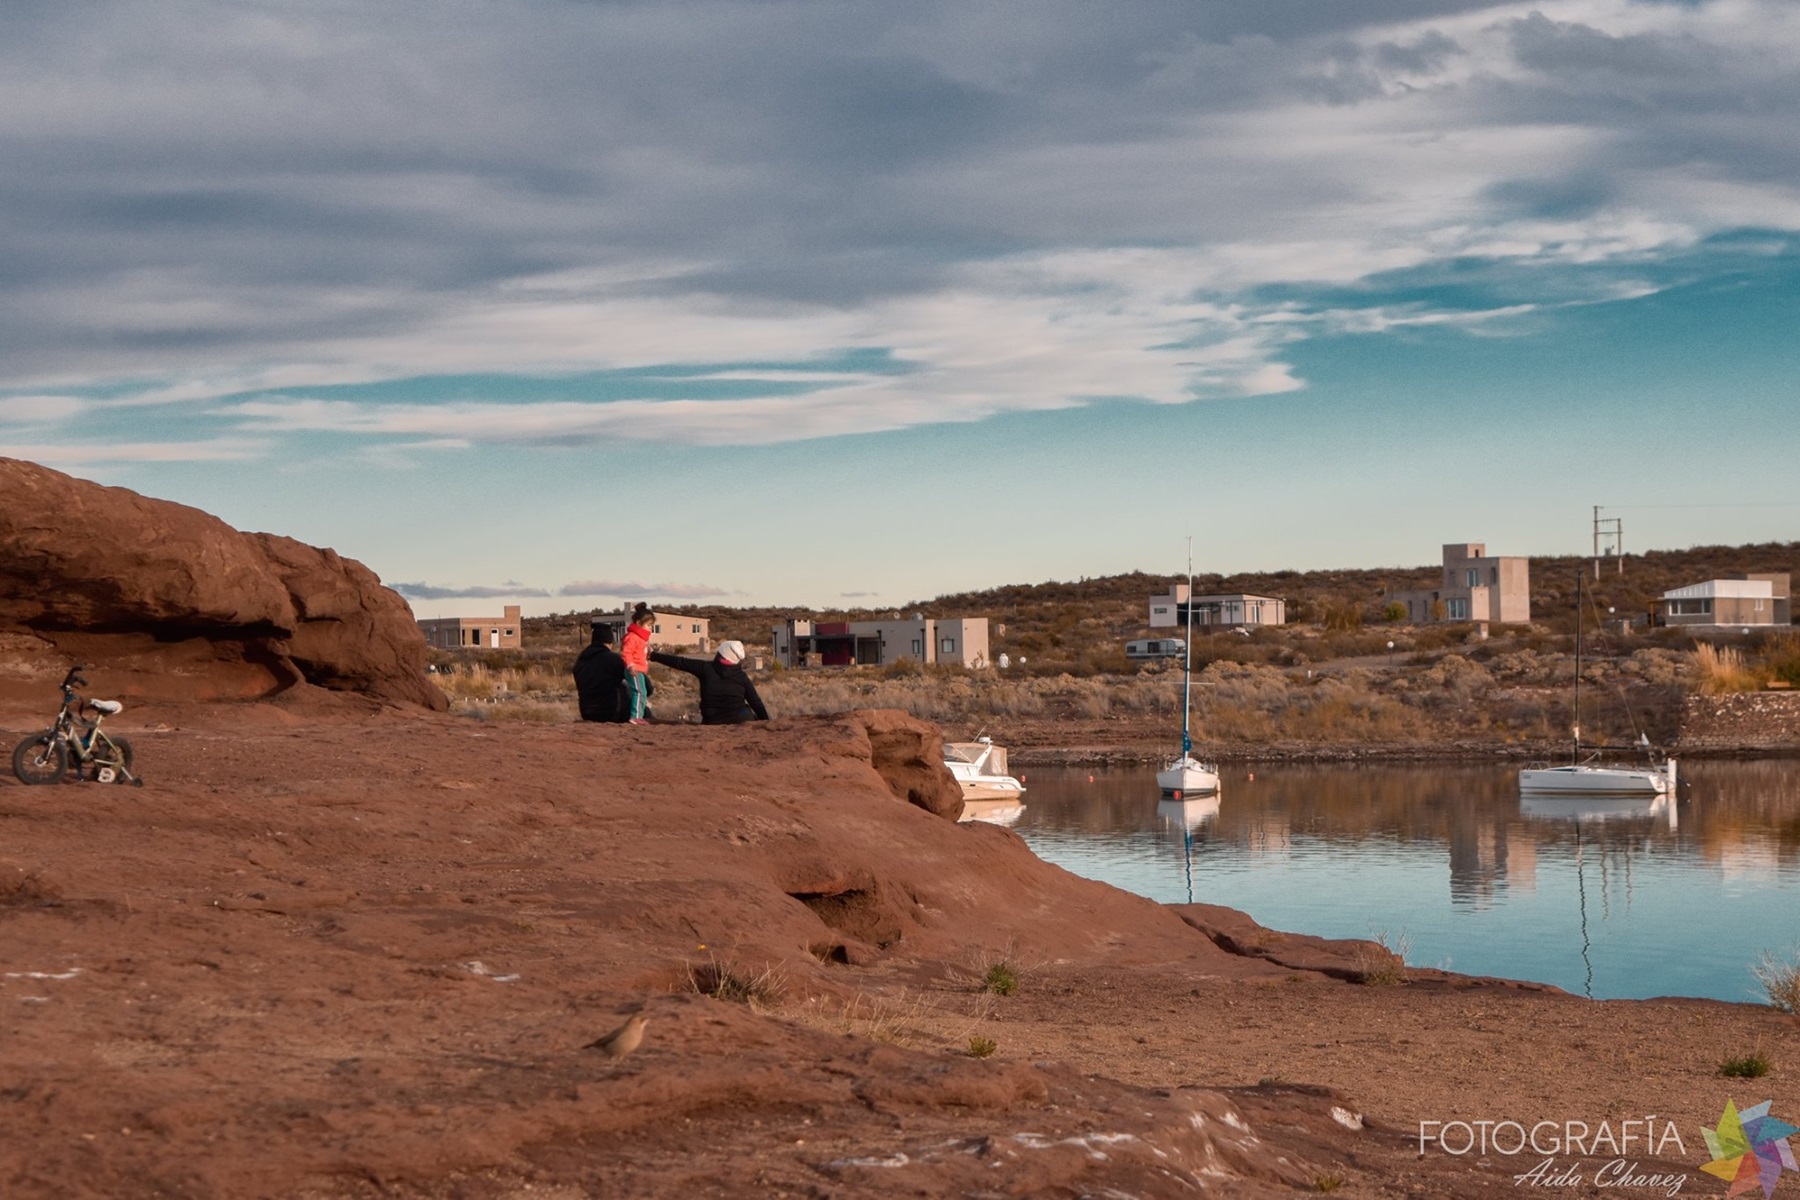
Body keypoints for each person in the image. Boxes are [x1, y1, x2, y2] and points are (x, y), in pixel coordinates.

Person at [649, 640, 769, 725]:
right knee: (752, 716)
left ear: (721, 654)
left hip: (713, 720)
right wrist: (766, 722)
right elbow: (755, 702)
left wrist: (653, 656)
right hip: (741, 718)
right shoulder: (742, 677)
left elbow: (680, 662)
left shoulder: (706, 668)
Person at [571, 621, 628, 723]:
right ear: (610, 643)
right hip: (612, 712)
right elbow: (645, 687)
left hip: (586, 712)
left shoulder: (581, 660)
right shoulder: (613, 659)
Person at [621, 602, 655, 725]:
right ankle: (635, 716)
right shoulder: (632, 637)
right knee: (639, 692)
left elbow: (638, 652)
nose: (651, 628)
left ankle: (638, 716)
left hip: (639, 669)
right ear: (639, 624)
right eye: (649, 625)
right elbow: (626, 652)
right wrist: (630, 665)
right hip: (634, 670)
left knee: (642, 692)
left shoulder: (640, 638)